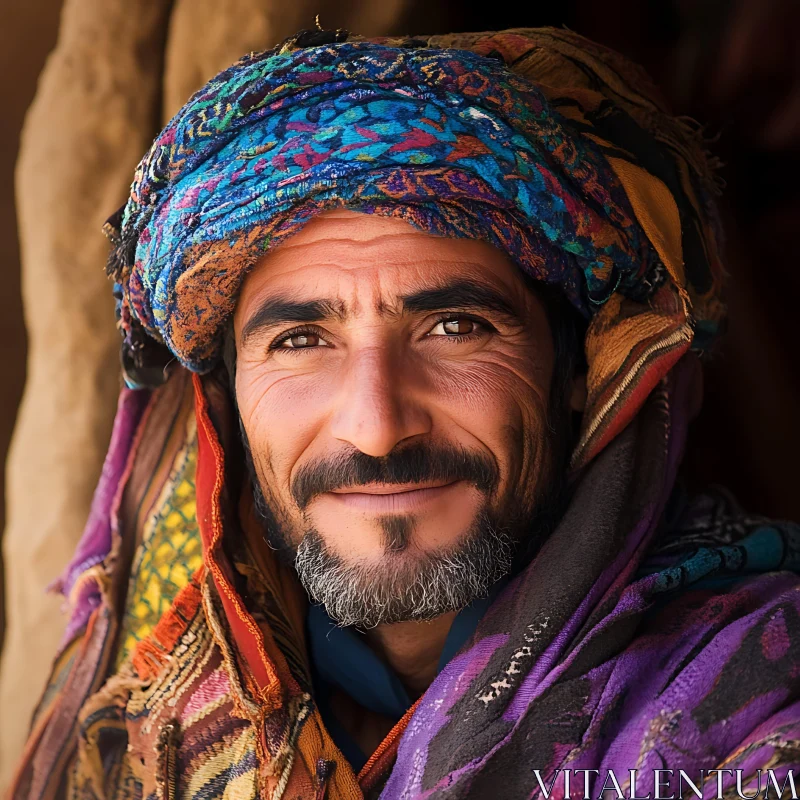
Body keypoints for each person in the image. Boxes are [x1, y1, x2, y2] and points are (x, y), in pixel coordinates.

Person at [10, 26, 800, 800]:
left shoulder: (756, 710)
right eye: (299, 339)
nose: (376, 426)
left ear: (579, 368)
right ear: (226, 398)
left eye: (454, 328)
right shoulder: (152, 733)